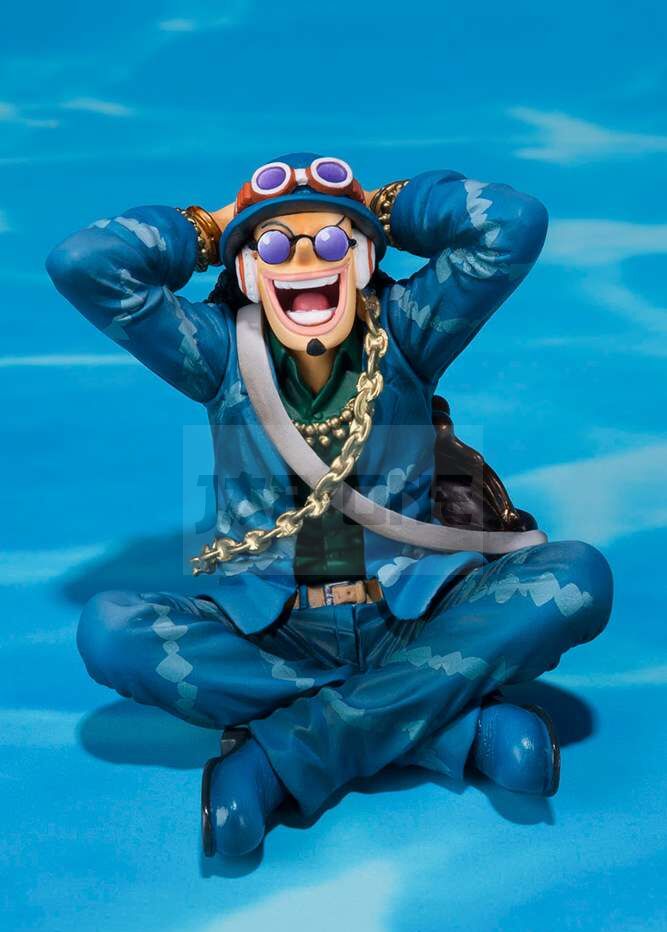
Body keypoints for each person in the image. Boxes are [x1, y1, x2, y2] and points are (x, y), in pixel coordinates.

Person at [46, 153, 612, 857]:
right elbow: (83, 263)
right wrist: (210, 227)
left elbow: (512, 223)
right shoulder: (217, 355)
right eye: (276, 245)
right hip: (274, 631)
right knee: (110, 631)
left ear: (364, 258)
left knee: (576, 577)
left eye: (334, 240)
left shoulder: (407, 334)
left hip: (414, 611)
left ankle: (289, 753)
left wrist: (386, 206)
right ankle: (448, 728)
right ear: (248, 271)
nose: (306, 259)